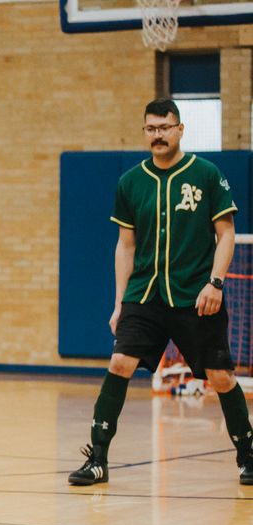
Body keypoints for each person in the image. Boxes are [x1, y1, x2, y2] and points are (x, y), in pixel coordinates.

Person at [69, 98, 253, 487]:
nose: (158, 135)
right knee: (119, 364)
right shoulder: (130, 182)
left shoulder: (206, 174)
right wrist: (121, 301)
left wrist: (215, 283)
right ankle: (98, 458)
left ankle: (248, 455)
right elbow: (126, 246)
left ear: (179, 129)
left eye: (164, 127)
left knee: (219, 376)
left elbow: (226, 235)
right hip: (145, 295)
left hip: (195, 295)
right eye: (151, 129)